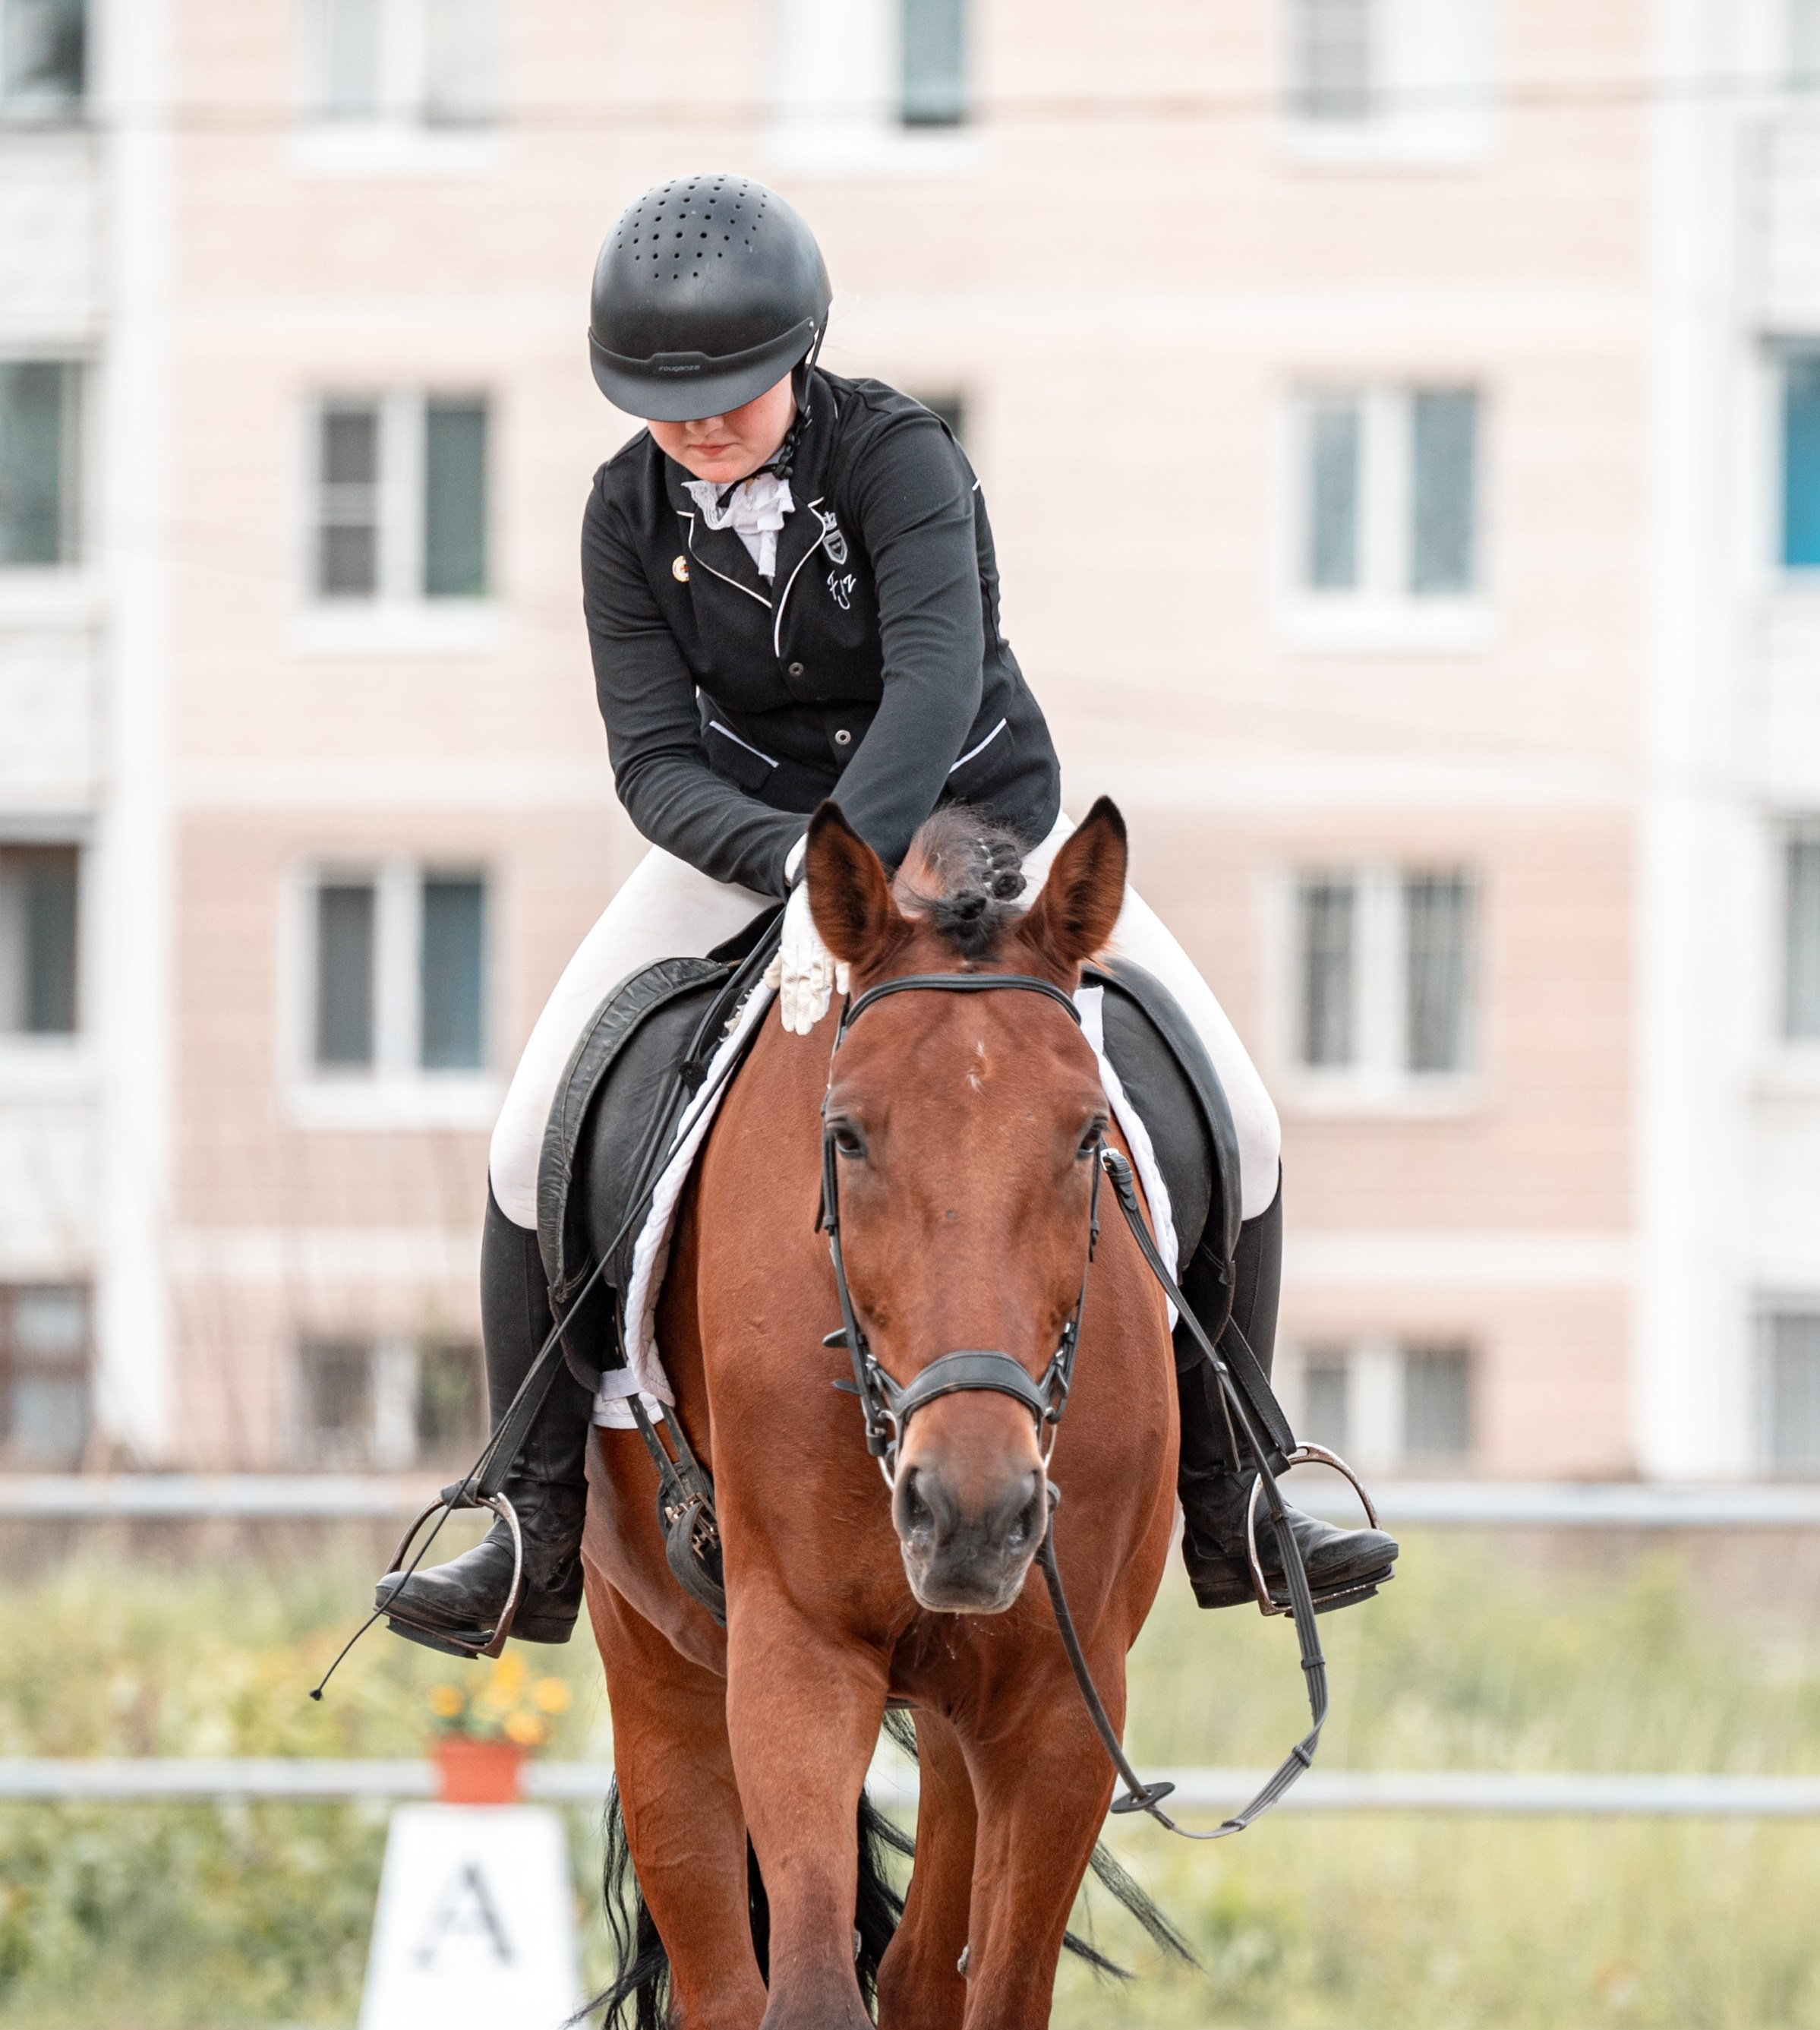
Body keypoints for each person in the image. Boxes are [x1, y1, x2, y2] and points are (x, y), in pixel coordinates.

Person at [376, 173, 1397, 1656]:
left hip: (975, 826)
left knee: (1237, 1116)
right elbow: (651, 761)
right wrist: (803, 867)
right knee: (528, 1134)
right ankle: (528, 1519)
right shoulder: (621, 514)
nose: (702, 427)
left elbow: (930, 682)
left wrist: (868, 861)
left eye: (729, 392)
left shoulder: (901, 457)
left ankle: (1238, 1486)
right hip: (752, 850)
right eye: (669, 402)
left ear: (797, 356)